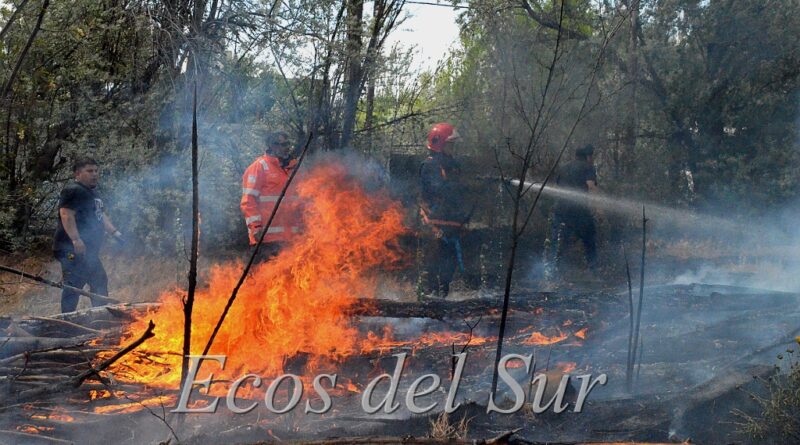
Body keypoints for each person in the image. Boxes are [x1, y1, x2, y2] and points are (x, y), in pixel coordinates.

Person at [53, 158, 123, 312]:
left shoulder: (92, 193)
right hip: (71, 249)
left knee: (98, 280)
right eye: (89, 171)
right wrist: (76, 239)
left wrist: (115, 232)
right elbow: (66, 214)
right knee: (74, 284)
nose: (95, 174)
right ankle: (66, 321)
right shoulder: (73, 190)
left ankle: (100, 317)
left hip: (88, 251)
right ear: (77, 174)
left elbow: (100, 215)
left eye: (96, 171)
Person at [418, 122, 471, 298]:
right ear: (439, 144)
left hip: (450, 224)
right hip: (435, 225)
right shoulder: (430, 166)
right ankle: (427, 304)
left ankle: (441, 301)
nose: (453, 148)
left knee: (448, 268)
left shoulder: (452, 165)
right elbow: (438, 189)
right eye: (451, 144)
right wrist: (461, 187)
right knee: (433, 266)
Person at [240, 131, 301, 255]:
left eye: (288, 144)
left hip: (291, 239)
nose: (287, 147)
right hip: (265, 239)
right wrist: (255, 227)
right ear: (272, 146)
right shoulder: (259, 167)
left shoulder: (292, 169)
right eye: (283, 144)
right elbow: (248, 200)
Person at [549, 143, 599, 271]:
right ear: (588, 156)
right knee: (589, 239)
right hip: (579, 210)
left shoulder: (563, 167)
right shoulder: (588, 167)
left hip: (560, 210)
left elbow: (557, 187)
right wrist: (599, 209)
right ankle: (593, 270)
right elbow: (591, 186)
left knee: (560, 242)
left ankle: (554, 273)